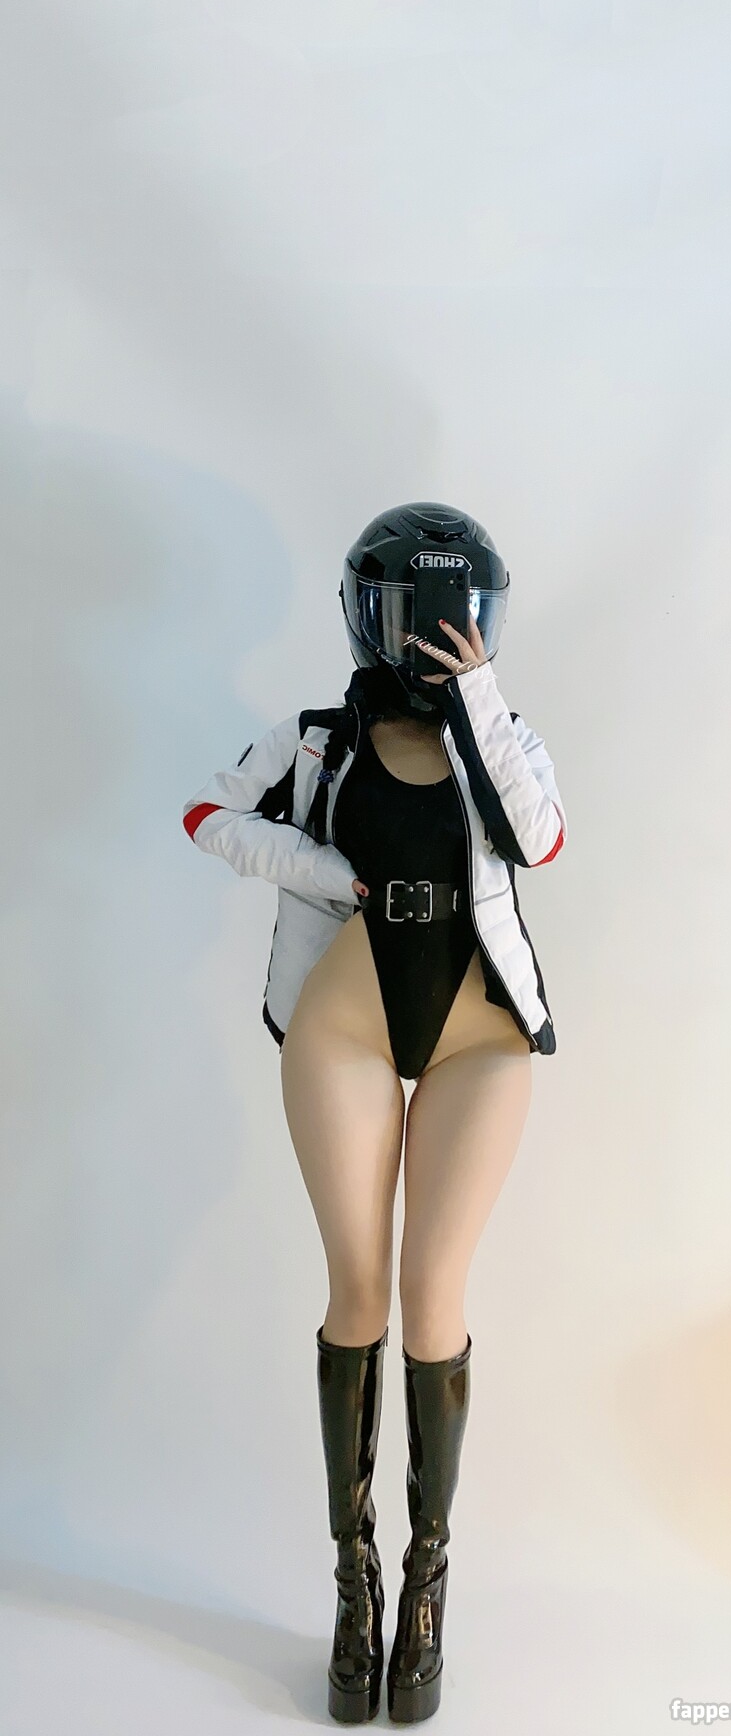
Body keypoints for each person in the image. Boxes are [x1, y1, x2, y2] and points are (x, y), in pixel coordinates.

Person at [182, 502, 567, 1723]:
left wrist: (479, 697)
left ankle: (427, 1585)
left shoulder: (504, 738)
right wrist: (315, 871)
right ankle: (355, 1586)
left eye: (468, 611)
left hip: (477, 1036)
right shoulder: (315, 741)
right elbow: (206, 815)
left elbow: (540, 842)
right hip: (344, 1025)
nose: (447, 633)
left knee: (432, 1295)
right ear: (372, 617)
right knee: (358, 1289)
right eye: (424, 613)